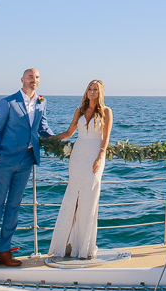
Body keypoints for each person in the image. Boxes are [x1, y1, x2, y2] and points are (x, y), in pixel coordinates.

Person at [0, 68, 55, 269]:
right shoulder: (7, 102)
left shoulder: (42, 102)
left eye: (37, 77)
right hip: (4, 161)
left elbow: (43, 128)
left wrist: (61, 138)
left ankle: (4, 252)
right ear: (22, 79)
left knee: (13, 207)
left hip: (27, 161)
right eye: (30, 76)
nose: (34, 80)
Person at [47, 79, 114, 259]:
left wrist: (101, 156)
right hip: (77, 156)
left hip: (94, 154)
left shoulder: (106, 111)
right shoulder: (80, 110)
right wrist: (49, 140)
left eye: (95, 90)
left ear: (101, 92)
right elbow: (69, 133)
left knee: (89, 199)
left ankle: (84, 247)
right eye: (89, 89)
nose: (91, 92)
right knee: (74, 199)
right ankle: (68, 244)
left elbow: (106, 138)